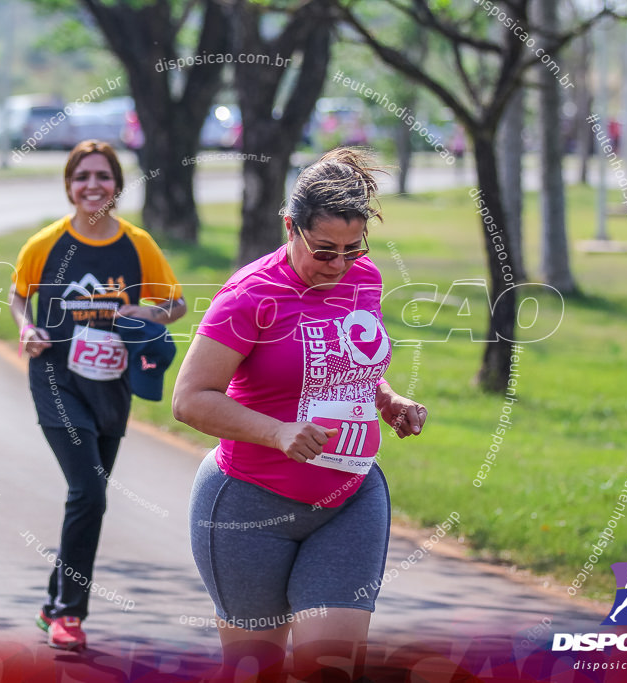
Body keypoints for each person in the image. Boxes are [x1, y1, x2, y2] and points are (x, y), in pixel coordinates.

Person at [173, 148, 427, 681]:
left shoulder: (365, 279)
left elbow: (347, 362)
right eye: (324, 251)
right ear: (291, 227)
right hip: (248, 506)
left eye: (352, 250)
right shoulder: (250, 296)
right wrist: (277, 432)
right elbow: (191, 398)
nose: (338, 265)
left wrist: (387, 399)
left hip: (351, 499)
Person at [9, 139, 186, 651]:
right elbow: (20, 297)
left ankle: (51, 604)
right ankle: (69, 615)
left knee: (90, 497)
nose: (92, 185)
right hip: (56, 379)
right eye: (82, 176)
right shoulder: (44, 244)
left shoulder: (138, 245)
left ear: (116, 186)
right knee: (88, 492)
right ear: (69, 186)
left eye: (102, 177)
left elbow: (173, 305)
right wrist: (25, 328)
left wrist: (144, 314)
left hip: (113, 382)